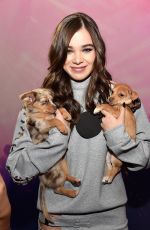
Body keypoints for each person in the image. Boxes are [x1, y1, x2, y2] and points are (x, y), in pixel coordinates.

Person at [6, 12, 150, 230]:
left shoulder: (121, 97)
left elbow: (143, 160)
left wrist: (116, 135)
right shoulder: (42, 102)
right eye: (68, 50)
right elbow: (17, 171)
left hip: (111, 224)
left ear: (98, 51)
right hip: (56, 223)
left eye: (86, 49)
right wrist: (55, 137)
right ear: (58, 53)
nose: (78, 59)